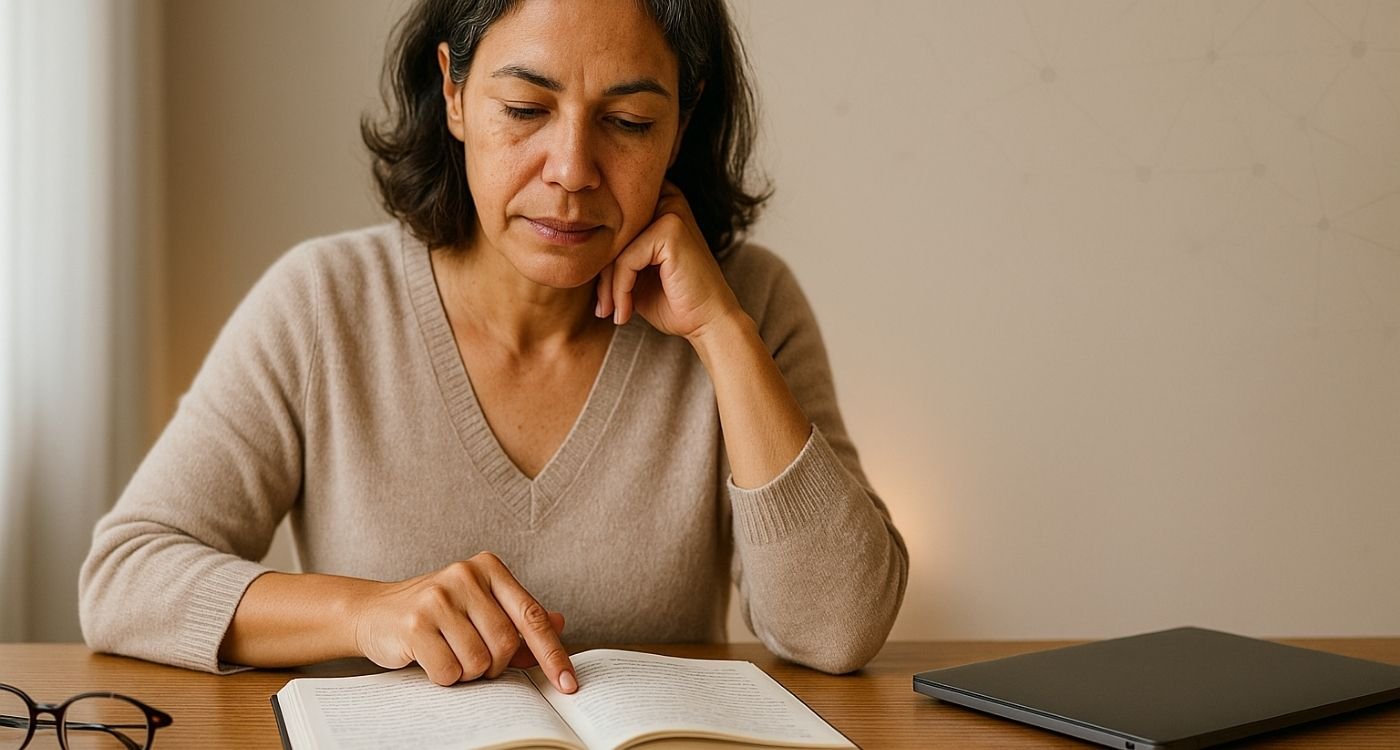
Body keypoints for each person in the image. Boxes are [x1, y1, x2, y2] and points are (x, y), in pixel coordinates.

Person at [79, 0, 907, 696]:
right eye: (525, 110)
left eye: (627, 121)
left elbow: (836, 630)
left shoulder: (749, 302)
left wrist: (723, 337)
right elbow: (125, 579)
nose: (573, 170)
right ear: (454, 94)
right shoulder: (325, 302)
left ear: (680, 123)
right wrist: (365, 611)